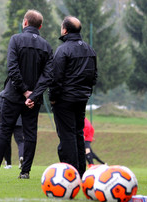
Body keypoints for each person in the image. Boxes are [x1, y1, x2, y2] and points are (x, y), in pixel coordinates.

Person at [0, 9, 54, 179]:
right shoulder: (47, 46)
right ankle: (25, 172)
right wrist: (33, 95)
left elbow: (12, 68)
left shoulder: (16, 40)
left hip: (13, 95)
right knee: (31, 134)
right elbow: (47, 76)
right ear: (40, 26)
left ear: (25, 23)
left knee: (4, 131)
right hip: (33, 101)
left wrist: (24, 91)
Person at [50, 16, 97, 177]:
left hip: (64, 99)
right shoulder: (89, 50)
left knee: (67, 135)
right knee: (78, 133)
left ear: (65, 30)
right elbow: (94, 76)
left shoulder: (63, 50)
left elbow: (56, 77)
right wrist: (86, 92)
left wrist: (53, 96)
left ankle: (71, 173)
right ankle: (81, 172)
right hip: (82, 98)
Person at [0, 90, 24, 170]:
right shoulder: (22, 92)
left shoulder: (3, 93)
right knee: (20, 141)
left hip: (7, 120)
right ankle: (21, 157)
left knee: (5, 140)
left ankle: (8, 163)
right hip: (19, 120)